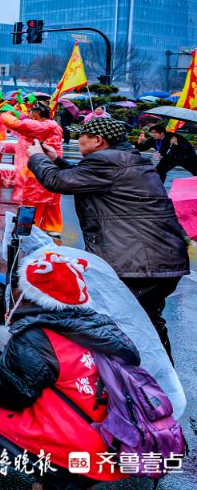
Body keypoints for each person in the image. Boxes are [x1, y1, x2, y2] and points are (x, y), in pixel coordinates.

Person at [0, 251, 138, 490]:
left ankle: (59, 477)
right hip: (116, 443)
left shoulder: (35, 337)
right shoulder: (103, 327)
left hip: (83, 453)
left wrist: (8, 355)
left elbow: (5, 395)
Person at [27, 117, 190, 357]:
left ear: (97, 140)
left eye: (82, 135)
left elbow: (56, 181)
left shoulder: (108, 163)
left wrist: (36, 158)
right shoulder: (128, 160)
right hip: (158, 260)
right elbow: (83, 177)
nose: (78, 139)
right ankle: (157, 383)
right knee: (147, 323)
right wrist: (56, 159)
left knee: (126, 326)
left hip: (138, 264)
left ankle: (142, 385)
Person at [0, 103, 64, 235]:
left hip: (40, 167)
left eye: (30, 116)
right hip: (53, 166)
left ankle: (25, 228)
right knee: (52, 199)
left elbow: (17, 124)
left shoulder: (43, 126)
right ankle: (52, 227)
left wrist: (4, 113)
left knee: (33, 198)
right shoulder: (54, 125)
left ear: (35, 116)